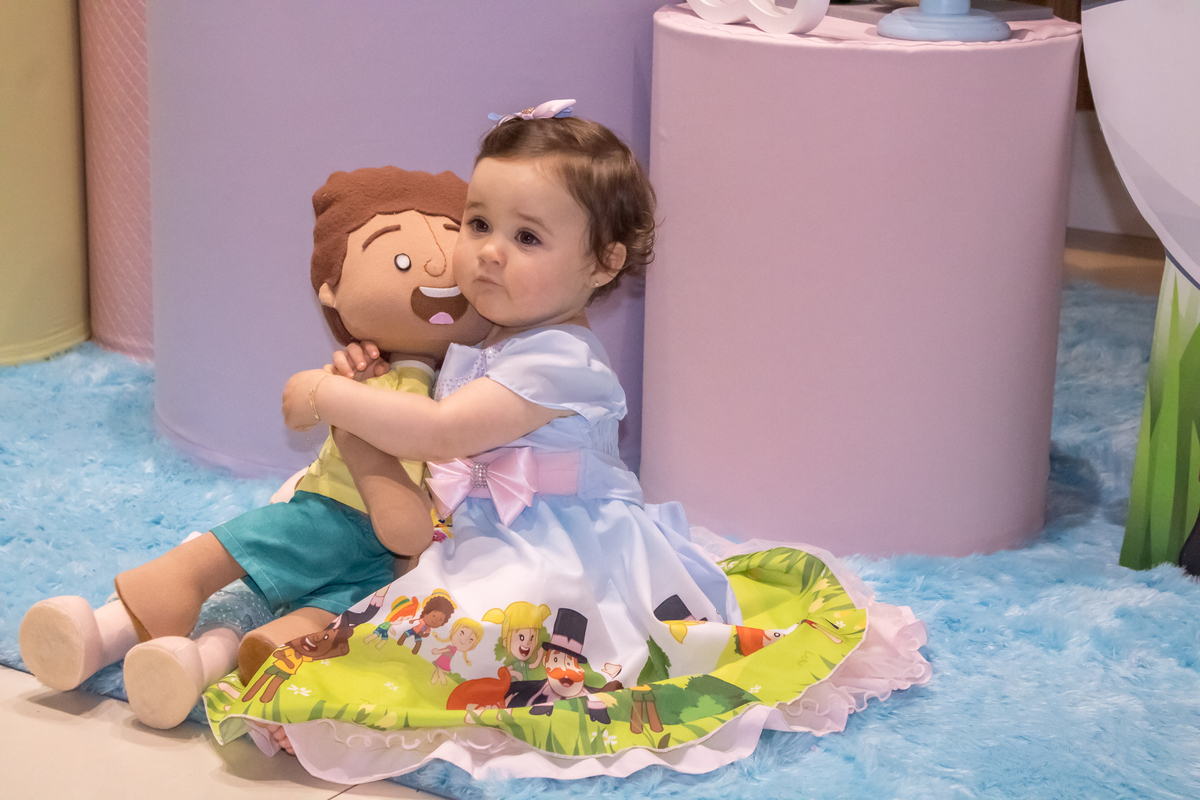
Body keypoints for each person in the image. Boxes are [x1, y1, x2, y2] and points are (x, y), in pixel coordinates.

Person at [207, 105, 932, 781]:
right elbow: (418, 403)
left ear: (603, 264)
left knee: (478, 638)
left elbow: (442, 431)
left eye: (526, 238)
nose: (489, 253)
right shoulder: (496, 341)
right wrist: (369, 377)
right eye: (478, 223)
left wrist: (327, 396)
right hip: (490, 528)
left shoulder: (560, 359)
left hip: (562, 547)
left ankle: (328, 676)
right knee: (411, 602)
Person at [18, 167, 492, 730]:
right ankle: (98, 633)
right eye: (403, 261)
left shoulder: (476, 389)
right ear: (332, 290)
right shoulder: (366, 371)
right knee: (213, 563)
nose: (438, 271)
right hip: (329, 515)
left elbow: (414, 522)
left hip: (386, 568)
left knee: (318, 623)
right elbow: (299, 406)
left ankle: (219, 665)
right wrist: (337, 399)